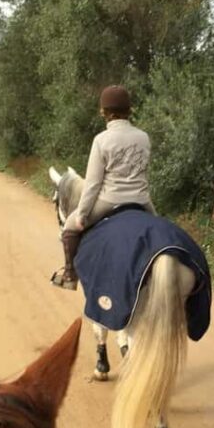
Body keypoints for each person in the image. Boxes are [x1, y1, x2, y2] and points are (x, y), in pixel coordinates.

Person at [58, 85, 156, 290]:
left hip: (109, 201)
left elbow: (93, 185)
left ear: (105, 112)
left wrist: (82, 215)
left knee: (68, 228)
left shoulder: (101, 140)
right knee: (160, 229)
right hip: (142, 201)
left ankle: (69, 276)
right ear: (129, 110)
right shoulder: (143, 137)